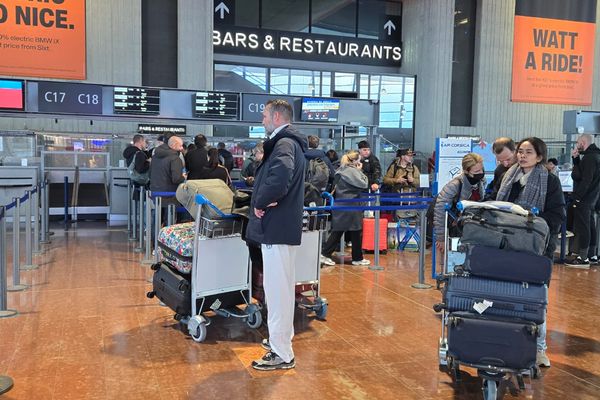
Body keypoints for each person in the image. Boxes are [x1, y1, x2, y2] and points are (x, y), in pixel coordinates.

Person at [245, 99, 307, 371]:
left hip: (277, 227)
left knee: (278, 290)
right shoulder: (289, 143)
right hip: (281, 227)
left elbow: (280, 177)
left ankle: (282, 352)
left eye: (264, 115)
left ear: (278, 116)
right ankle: (281, 341)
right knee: (279, 288)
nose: (262, 120)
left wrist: (260, 202)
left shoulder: (283, 144)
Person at [496, 137, 566, 368]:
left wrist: (531, 221)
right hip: (508, 244)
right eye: (520, 151)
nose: (522, 155)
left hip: (537, 247)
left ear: (539, 156)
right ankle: (507, 343)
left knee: (537, 298)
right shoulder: (506, 176)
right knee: (506, 294)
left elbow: (557, 216)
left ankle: (539, 349)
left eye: (528, 152)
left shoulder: (550, 181)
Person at [433, 153, 486, 266]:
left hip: (469, 228)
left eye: (482, 170)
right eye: (476, 172)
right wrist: (441, 238)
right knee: (449, 263)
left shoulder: (481, 182)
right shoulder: (454, 185)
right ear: (466, 171)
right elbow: (440, 210)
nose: (480, 174)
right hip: (453, 229)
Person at [319, 150, 370, 267]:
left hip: (342, 204)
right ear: (355, 160)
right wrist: (360, 170)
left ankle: (326, 254)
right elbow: (364, 183)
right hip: (351, 206)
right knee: (355, 231)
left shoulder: (341, 169)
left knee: (339, 230)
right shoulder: (352, 171)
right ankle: (356, 258)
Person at [565, 134, 600, 268]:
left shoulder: (590, 158)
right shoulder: (594, 156)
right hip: (592, 198)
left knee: (583, 227)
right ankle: (592, 255)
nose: (576, 144)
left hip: (584, 198)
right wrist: (576, 159)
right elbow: (580, 174)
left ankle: (583, 258)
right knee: (590, 226)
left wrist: (577, 197)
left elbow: (585, 179)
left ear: (583, 142)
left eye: (578, 142)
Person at [122, 134, 151, 200]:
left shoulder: (130, 153)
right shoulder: (139, 154)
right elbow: (140, 169)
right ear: (140, 141)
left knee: (137, 206)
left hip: (135, 182)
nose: (145, 144)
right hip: (141, 184)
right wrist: (149, 162)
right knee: (143, 206)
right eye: (144, 142)